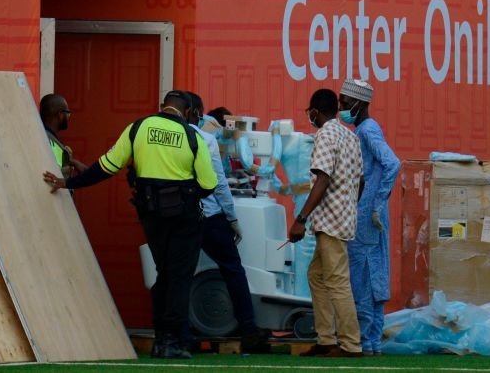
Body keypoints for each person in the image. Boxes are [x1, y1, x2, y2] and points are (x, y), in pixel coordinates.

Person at [43, 90, 217, 359]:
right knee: (179, 278)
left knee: (164, 275)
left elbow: (106, 166)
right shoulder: (193, 137)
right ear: (185, 113)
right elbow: (208, 185)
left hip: (151, 216)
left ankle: (161, 340)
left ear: (162, 107)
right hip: (184, 219)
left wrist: (69, 183)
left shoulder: (138, 128)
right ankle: (171, 341)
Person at [186, 92, 270, 353]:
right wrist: (232, 217)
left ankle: (178, 334)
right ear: (197, 112)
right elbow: (219, 182)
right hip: (209, 215)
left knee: (177, 274)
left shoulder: (174, 138)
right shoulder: (208, 139)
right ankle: (249, 330)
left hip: (181, 216)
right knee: (233, 270)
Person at [288, 88, 364, 358]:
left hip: (329, 221)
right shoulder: (349, 136)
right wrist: (348, 207)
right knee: (316, 276)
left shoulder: (325, 134)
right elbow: (361, 181)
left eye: (310, 112)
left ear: (315, 112)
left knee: (336, 281)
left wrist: (300, 219)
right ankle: (326, 340)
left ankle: (350, 344)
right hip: (340, 218)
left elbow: (322, 178)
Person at [340, 78, 400, 356]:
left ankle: (365, 340)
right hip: (371, 215)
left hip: (366, 216)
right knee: (374, 276)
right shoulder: (365, 129)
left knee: (362, 278)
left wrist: (376, 202)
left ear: (359, 104)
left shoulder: (367, 131)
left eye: (344, 102)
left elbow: (392, 162)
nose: (341, 107)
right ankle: (372, 341)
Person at [39, 93, 86, 177]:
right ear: (60, 114)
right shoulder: (48, 141)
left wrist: (72, 162)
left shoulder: (43, 136)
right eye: (68, 113)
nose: (69, 116)